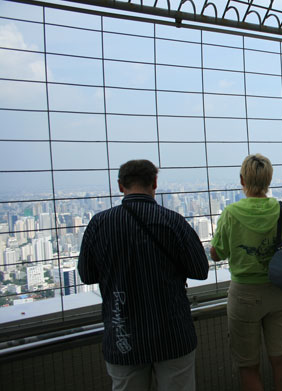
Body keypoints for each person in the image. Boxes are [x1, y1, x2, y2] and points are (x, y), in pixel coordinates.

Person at [78, 159, 209, 391]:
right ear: (154, 183)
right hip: (172, 333)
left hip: (123, 335)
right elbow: (200, 270)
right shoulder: (173, 221)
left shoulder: (99, 224)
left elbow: (87, 275)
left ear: (120, 185)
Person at [210, 154, 282, 391]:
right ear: (269, 179)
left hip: (245, 295)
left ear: (242, 180)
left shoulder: (231, 213)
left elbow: (218, 253)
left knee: (248, 365)